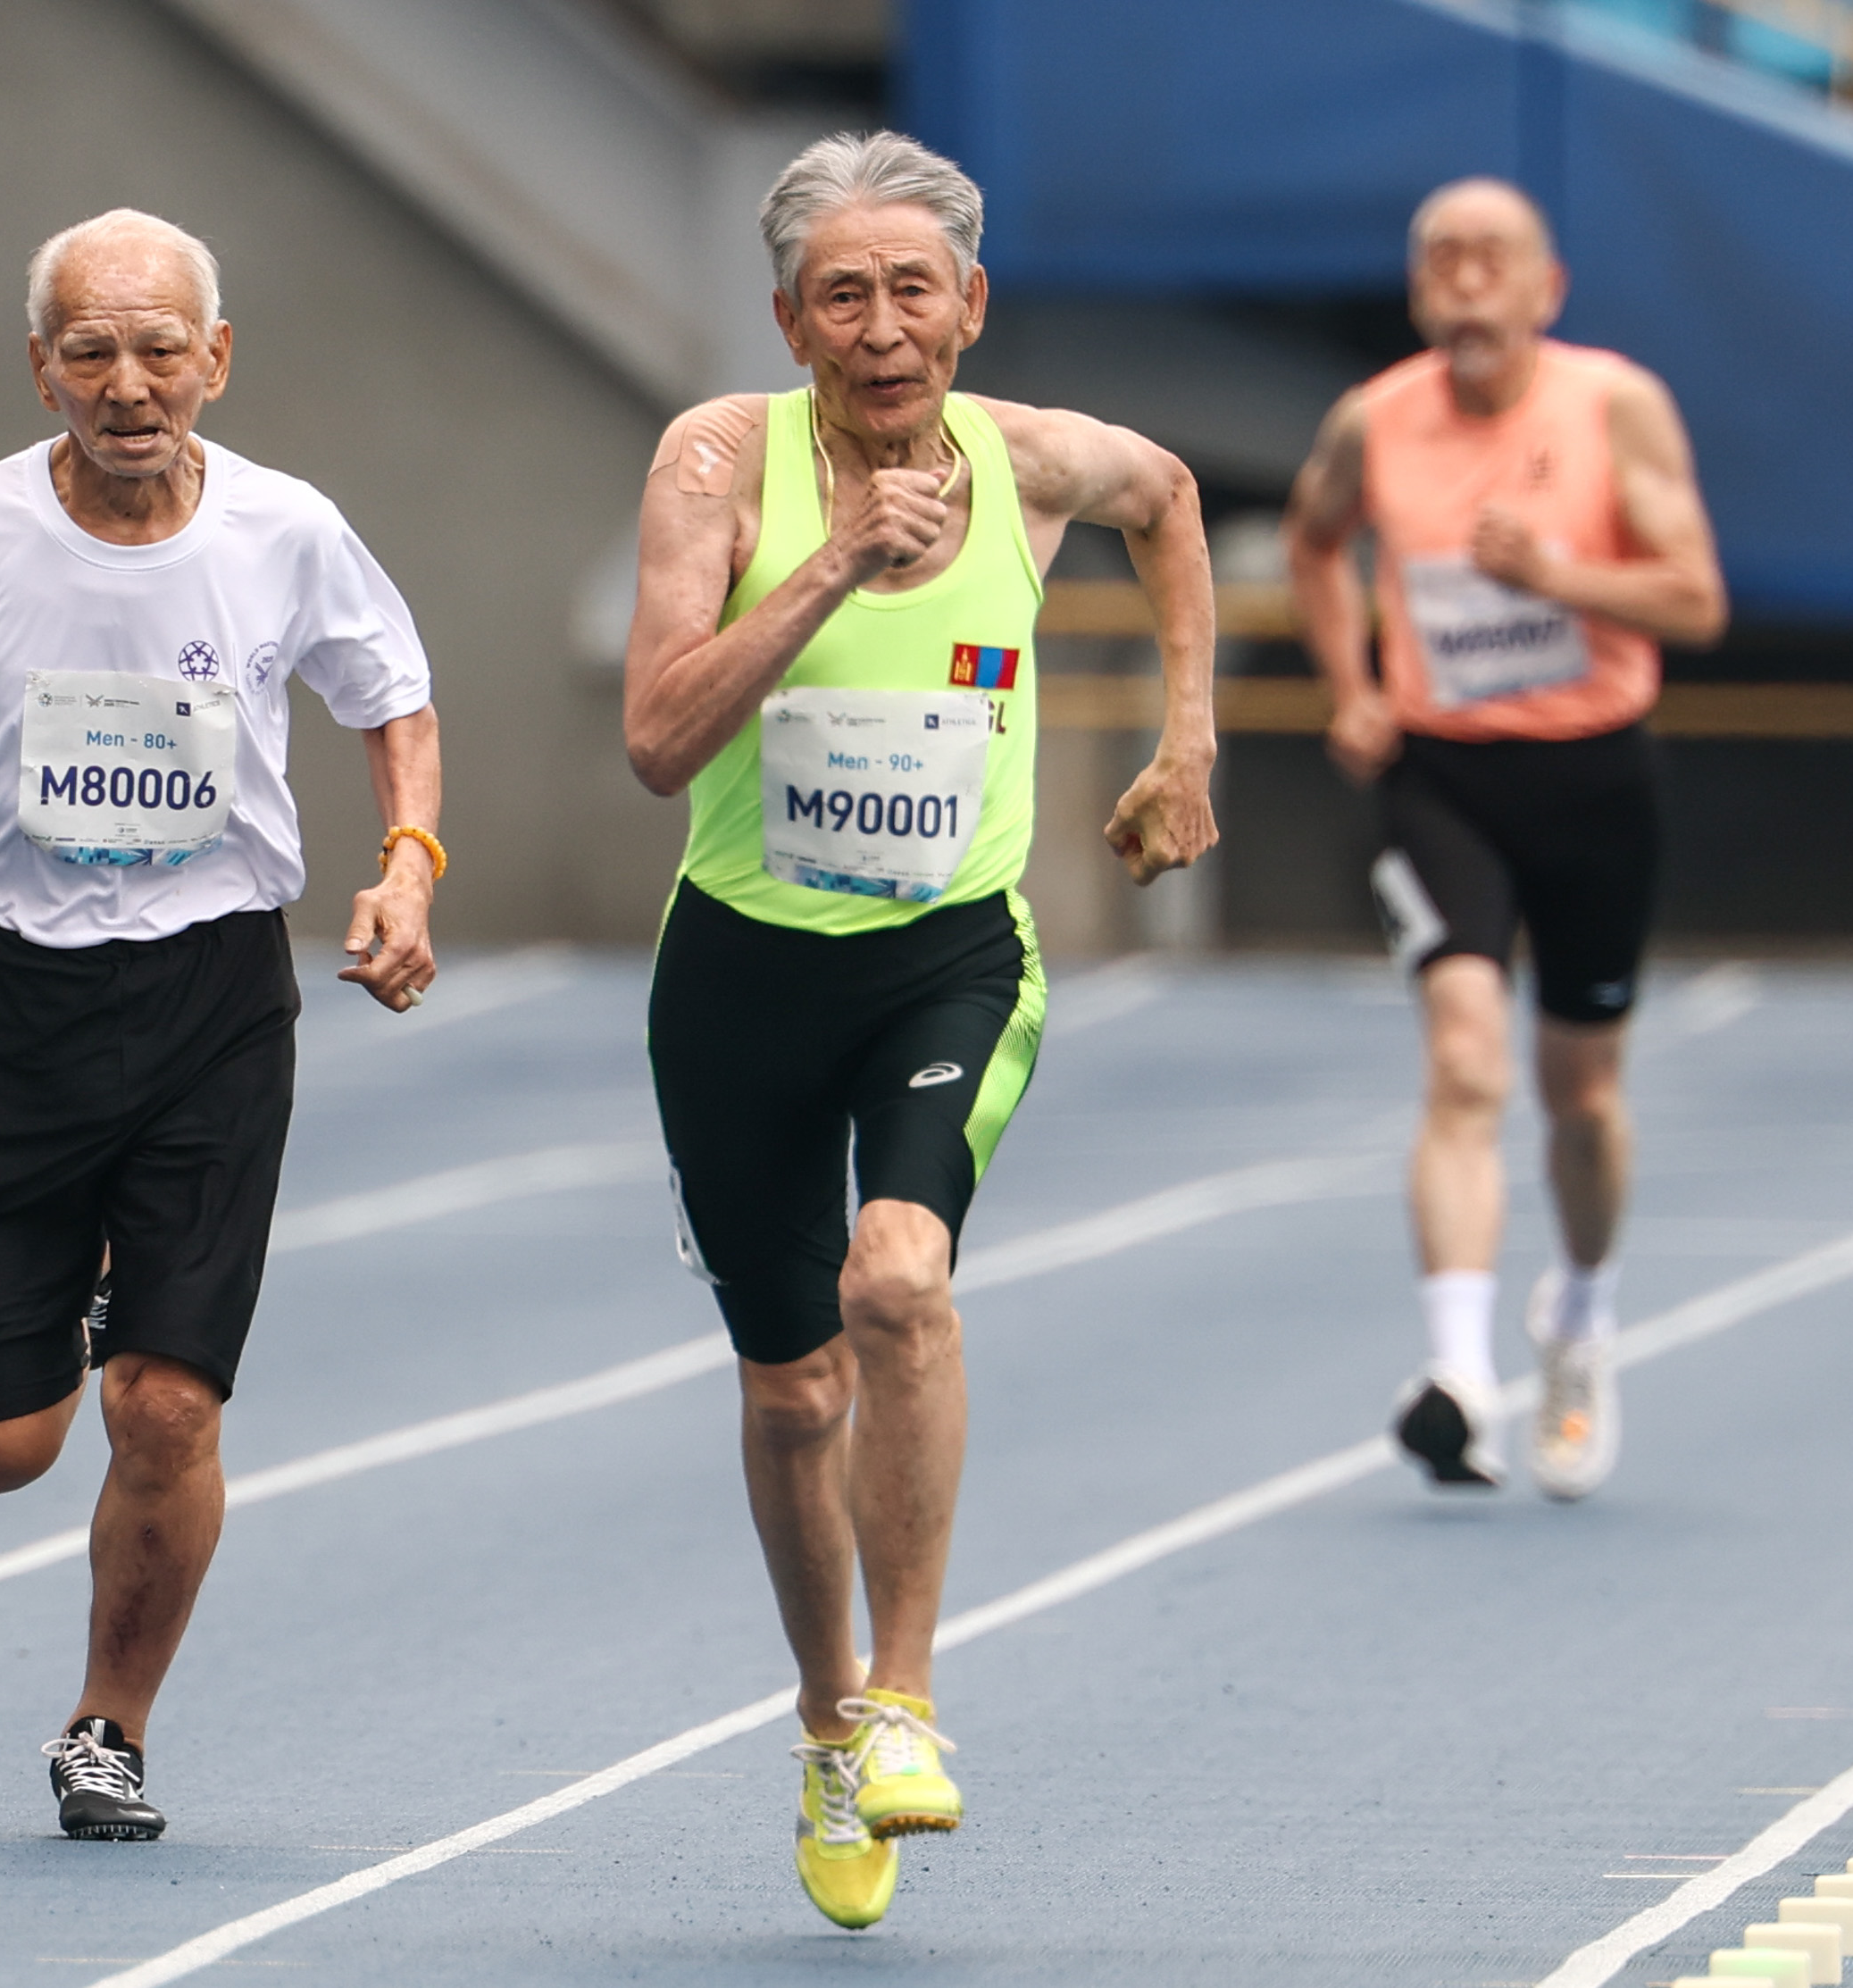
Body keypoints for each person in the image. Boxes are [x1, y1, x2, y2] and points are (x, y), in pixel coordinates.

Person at [624, 131, 1217, 1929]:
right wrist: (822, 575)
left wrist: (1192, 737)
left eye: (914, 293)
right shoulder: (719, 465)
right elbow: (656, 738)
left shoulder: (1030, 459)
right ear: (790, 318)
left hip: (948, 958)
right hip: (740, 971)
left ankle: (906, 1698)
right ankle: (824, 1726)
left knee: (899, 1283)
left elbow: (1173, 496)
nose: (882, 331)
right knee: (794, 1385)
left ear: (970, 305)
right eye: (843, 298)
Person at [0, 208, 443, 1840]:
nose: (129, 381)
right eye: (90, 348)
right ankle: (76, 1280)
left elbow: (393, 696)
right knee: (0, 1449)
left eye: (162, 346)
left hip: (213, 988)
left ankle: (111, 1723)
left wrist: (409, 868)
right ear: (42, 370)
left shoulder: (289, 531)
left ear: (216, 361)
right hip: (10, 994)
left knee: (163, 1405)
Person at [1281, 178, 1727, 1502]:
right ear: (1420, 292)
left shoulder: (1613, 405)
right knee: (1465, 1057)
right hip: (1442, 780)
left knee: (1579, 1094)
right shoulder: (1372, 419)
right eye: (1443, 260)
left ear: (1549, 288)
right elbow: (1315, 543)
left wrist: (1559, 577)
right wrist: (1350, 683)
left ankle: (1578, 1315)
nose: (1469, 280)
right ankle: (1461, 1377)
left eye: (1495, 258)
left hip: (1593, 774)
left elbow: (1697, 598)